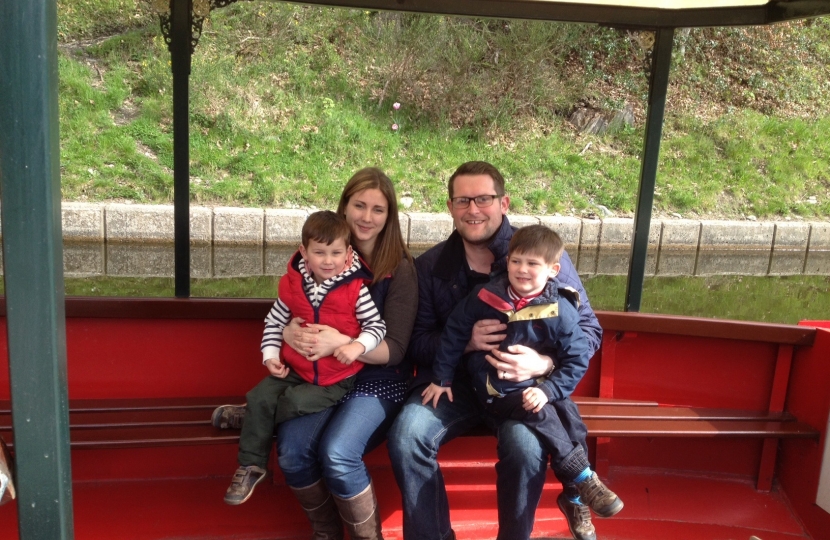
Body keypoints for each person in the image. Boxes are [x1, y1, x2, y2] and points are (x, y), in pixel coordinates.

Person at [387, 161, 604, 540]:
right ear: (451, 206)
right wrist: (466, 342)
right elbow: (416, 341)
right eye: (463, 200)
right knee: (407, 435)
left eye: (483, 199)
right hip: (455, 386)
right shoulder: (430, 266)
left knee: (525, 447)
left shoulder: (541, 252)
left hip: (521, 392)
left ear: (503, 203)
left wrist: (545, 362)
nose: (473, 209)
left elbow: (588, 330)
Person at [213, 168, 417, 540]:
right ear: (344, 207)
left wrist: (340, 343)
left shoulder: (399, 269)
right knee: (292, 454)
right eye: (359, 205)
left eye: (378, 209)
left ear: (390, 217)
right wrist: (289, 332)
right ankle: (327, 534)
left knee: (337, 453)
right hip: (316, 375)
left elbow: (397, 349)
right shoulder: (318, 260)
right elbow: (288, 311)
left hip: (376, 379)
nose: (367, 217)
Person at [422, 224, 623, 538]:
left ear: (553, 270)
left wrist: (549, 388)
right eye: (516, 261)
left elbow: (578, 357)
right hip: (495, 388)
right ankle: (582, 478)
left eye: (533, 264)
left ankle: (574, 497)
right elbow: (454, 333)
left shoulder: (561, 310)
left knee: (570, 418)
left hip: (538, 384)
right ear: (507, 262)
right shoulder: (486, 297)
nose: (522, 270)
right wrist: (442, 378)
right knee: (539, 412)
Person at [214, 210, 386, 506]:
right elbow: (274, 322)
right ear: (304, 252)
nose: (328, 261)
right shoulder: (293, 286)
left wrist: (356, 347)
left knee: (293, 403)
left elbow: (376, 327)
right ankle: (252, 466)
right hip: (295, 369)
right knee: (260, 396)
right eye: (320, 253)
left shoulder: (355, 290)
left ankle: (253, 419)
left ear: (348, 253)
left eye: (335, 253)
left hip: (334, 379)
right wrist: (270, 355)